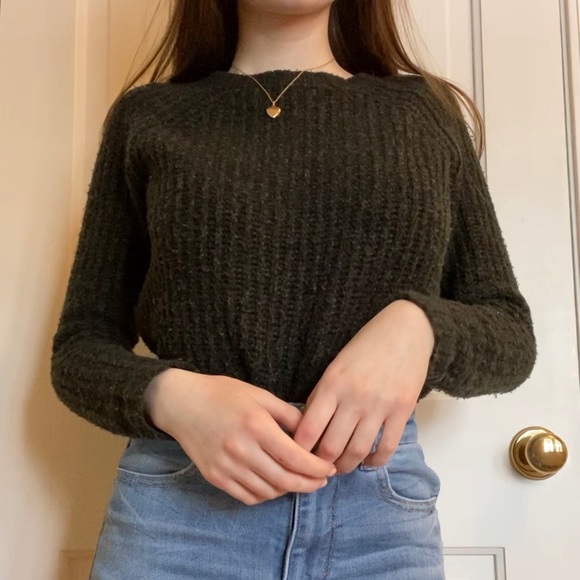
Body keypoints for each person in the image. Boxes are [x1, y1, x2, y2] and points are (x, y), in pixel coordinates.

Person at [50, 1, 537, 578]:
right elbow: (80, 347)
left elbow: (510, 334)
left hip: (376, 524)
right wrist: (172, 398)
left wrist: (419, 328)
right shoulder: (148, 117)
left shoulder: (426, 114)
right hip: (179, 518)